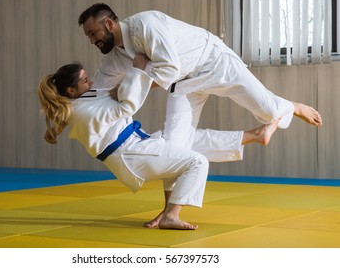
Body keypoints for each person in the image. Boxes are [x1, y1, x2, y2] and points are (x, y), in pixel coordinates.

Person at [38, 54, 279, 230]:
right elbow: (128, 105)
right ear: (71, 91)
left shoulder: (81, 101)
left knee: (182, 144)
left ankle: (255, 136)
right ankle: (170, 216)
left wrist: (54, 130)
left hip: (133, 149)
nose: (91, 83)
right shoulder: (84, 109)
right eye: (85, 80)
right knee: (197, 162)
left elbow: (76, 110)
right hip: (130, 154)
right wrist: (138, 70)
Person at [77, 3, 322, 152]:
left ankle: (294, 106)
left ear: (109, 24)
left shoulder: (145, 25)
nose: (91, 40)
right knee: (174, 146)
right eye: (88, 36)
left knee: (269, 111)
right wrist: (60, 112)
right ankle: (171, 212)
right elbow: (96, 91)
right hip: (184, 84)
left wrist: (135, 83)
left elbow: (169, 68)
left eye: (93, 33)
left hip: (214, 61)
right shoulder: (112, 59)